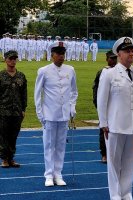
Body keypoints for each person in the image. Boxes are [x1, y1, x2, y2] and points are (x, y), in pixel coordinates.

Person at [97, 37, 133, 200]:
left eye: (132, 50)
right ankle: (115, 194)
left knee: (130, 162)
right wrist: (103, 123)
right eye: (127, 51)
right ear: (118, 54)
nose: (131, 53)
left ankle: (126, 192)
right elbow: (102, 100)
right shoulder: (109, 74)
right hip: (115, 125)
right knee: (114, 162)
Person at [34, 41, 78, 187]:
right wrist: (40, 114)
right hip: (49, 114)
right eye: (58, 54)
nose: (61, 56)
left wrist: (72, 107)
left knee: (60, 145)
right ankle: (48, 174)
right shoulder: (44, 71)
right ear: (52, 55)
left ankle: (58, 173)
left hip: (64, 114)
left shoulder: (70, 70)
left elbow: (74, 91)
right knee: (48, 145)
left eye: (63, 53)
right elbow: (37, 94)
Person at [0, 50, 27, 168]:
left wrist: (23, 109)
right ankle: (4, 159)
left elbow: (24, 94)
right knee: (3, 135)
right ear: (5, 60)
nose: (13, 61)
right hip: (3, 111)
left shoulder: (21, 76)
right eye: (10, 59)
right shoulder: (1, 75)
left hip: (17, 111)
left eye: (15, 59)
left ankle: (11, 158)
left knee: (13, 136)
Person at [92, 50, 118, 163]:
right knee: (104, 130)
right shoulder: (102, 72)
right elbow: (96, 90)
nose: (113, 61)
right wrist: (98, 105)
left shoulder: (120, 71)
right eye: (111, 58)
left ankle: (115, 154)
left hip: (117, 106)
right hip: (105, 106)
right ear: (107, 59)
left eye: (115, 58)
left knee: (118, 131)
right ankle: (104, 154)